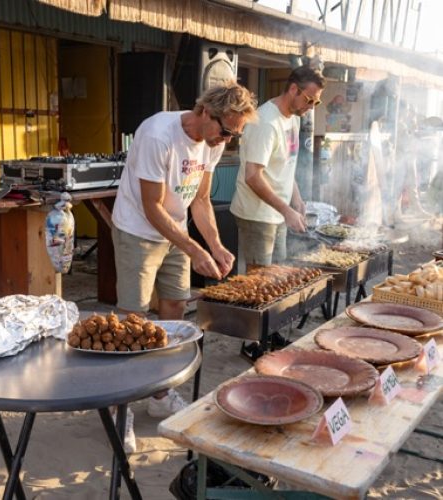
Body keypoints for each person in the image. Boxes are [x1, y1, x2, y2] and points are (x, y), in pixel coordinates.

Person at [111, 81, 258, 452]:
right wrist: (194, 249)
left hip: (175, 232)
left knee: (174, 310)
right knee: (133, 319)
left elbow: (202, 200)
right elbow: (152, 207)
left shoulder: (215, 140)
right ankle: (120, 406)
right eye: (226, 130)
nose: (228, 139)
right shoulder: (158, 134)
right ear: (205, 112)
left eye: (235, 134)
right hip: (138, 230)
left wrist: (216, 245)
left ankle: (159, 394)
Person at [230, 65, 325, 268]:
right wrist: (286, 210)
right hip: (257, 214)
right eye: (309, 100)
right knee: (259, 283)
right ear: (293, 89)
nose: (311, 107)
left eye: (316, 102)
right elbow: (253, 176)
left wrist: (296, 199)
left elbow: (286, 165)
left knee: (276, 276)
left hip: (278, 213)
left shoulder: (293, 119)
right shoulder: (266, 122)